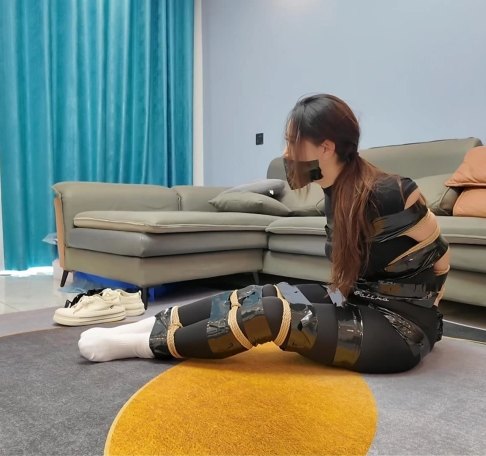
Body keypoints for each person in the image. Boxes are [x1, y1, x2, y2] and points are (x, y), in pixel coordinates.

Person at [77, 94, 449, 374]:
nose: (285, 154)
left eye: (292, 143)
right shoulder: (336, 192)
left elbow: (440, 256)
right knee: (264, 293)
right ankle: (150, 324)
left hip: (400, 330)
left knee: (269, 315)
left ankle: (145, 345)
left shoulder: (391, 192)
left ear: (326, 147)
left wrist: (427, 314)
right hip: (354, 299)